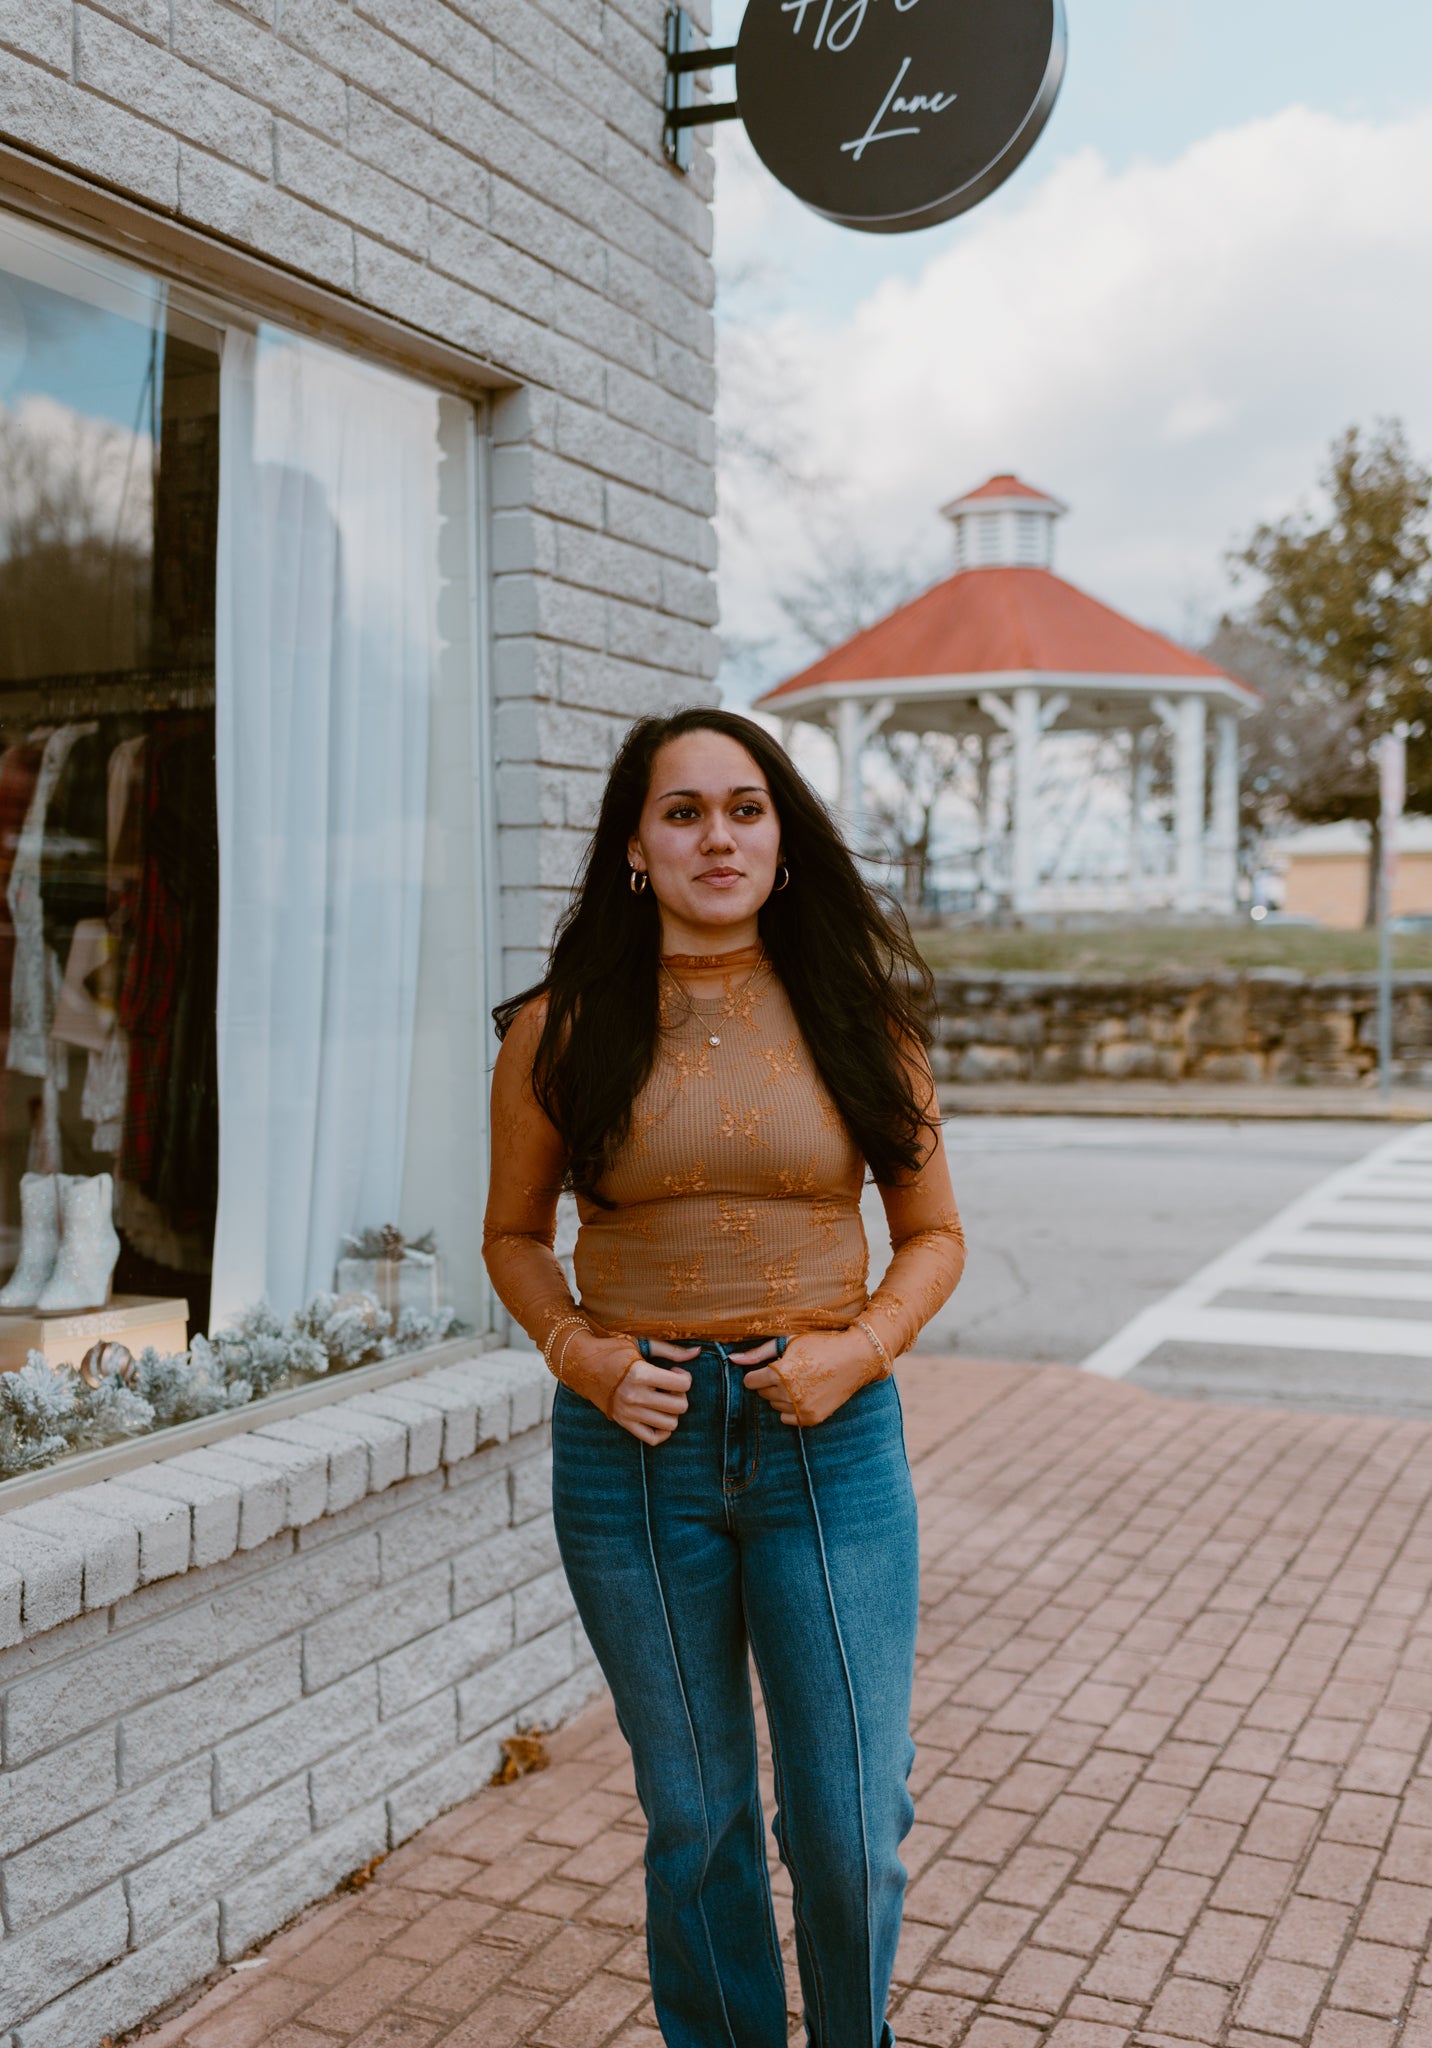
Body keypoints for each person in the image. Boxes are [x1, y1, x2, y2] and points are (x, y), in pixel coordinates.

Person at [483, 708, 965, 2048]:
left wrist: (853, 1353)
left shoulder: (862, 1019)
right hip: (634, 1458)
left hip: (830, 1442)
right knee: (698, 1821)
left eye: (745, 808)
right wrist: (579, 1352)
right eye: (683, 811)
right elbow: (514, 1238)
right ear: (636, 845)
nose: (717, 836)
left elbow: (935, 1236)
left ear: (784, 836)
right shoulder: (560, 1028)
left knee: (852, 1825)